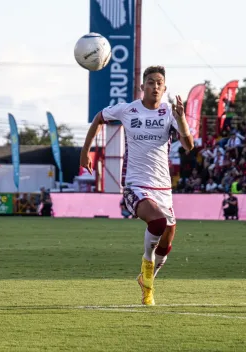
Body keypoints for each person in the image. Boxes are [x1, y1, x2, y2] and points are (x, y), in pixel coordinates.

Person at [80, 66, 194, 306]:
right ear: (142, 87)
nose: (155, 86)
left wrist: (182, 117)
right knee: (158, 222)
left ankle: (146, 278)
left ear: (164, 88)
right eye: (150, 82)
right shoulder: (128, 110)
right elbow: (99, 117)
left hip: (163, 188)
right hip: (136, 185)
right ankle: (147, 272)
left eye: (159, 83)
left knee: (168, 237)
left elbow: (189, 145)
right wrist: (86, 151)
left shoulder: (169, 113)